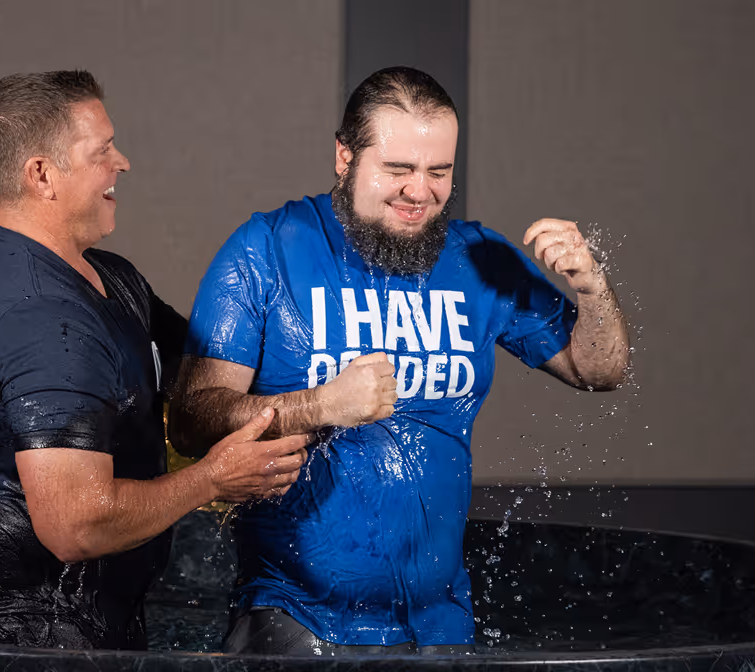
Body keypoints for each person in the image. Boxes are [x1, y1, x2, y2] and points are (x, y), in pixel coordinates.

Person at [169, 66, 630, 655]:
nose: (421, 191)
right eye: (398, 170)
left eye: (439, 172)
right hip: (296, 617)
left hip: (442, 626)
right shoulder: (264, 251)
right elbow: (192, 418)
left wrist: (591, 291)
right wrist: (318, 406)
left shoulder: (480, 260)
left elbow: (600, 370)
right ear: (344, 157)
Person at [0, 70, 311, 650]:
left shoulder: (111, 279)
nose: (124, 162)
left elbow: (219, 365)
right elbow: (74, 526)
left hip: (96, 630)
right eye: (101, 151)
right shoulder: (45, 324)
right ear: (41, 174)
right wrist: (213, 478)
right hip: (23, 648)